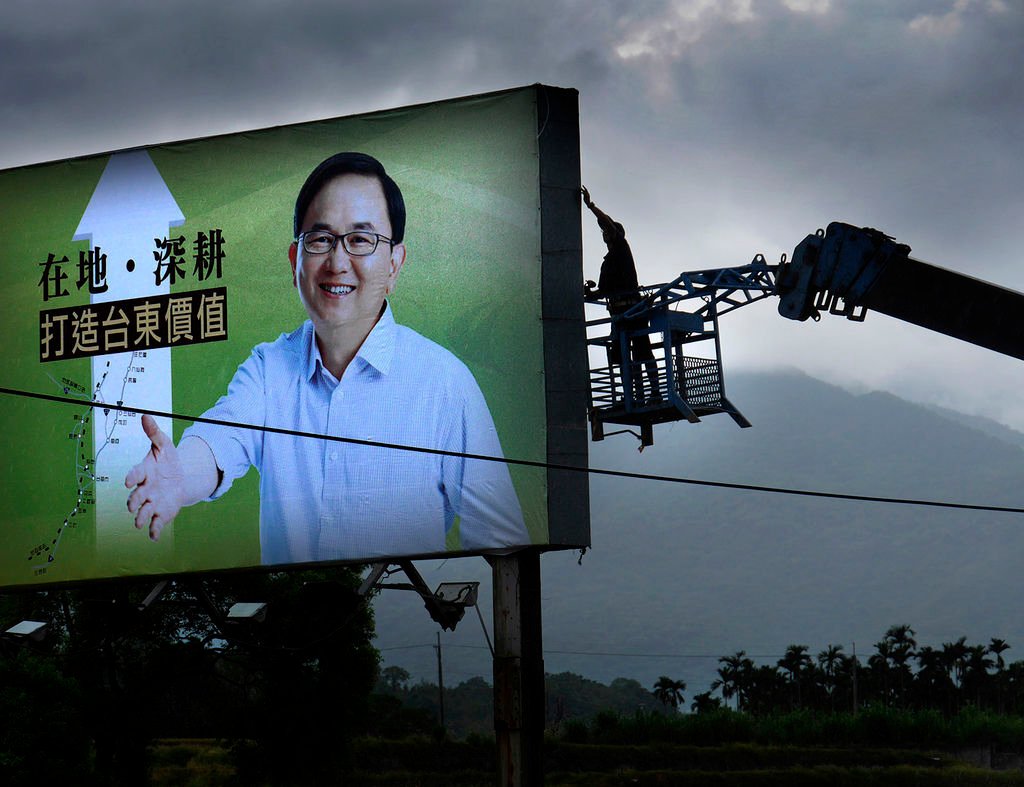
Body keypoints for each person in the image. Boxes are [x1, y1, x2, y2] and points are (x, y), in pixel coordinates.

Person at [125, 152, 527, 564]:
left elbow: (504, 543)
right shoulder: (269, 369)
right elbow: (221, 439)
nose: (337, 263)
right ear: (294, 260)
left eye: (360, 240)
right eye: (320, 240)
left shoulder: (444, 383)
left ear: (394, 263)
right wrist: (180, 477)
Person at [581, 186, 658, 401]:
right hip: (620, 314)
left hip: (632, 310)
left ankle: (652, 392)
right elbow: (604, 291)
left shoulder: (621, 247)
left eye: (608, 229)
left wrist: (591, 206)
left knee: (642, 352)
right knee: (624, 355)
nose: (605, 232)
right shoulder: (610, 261)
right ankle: (636, 394)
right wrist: (588, 293)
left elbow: (607, 223)